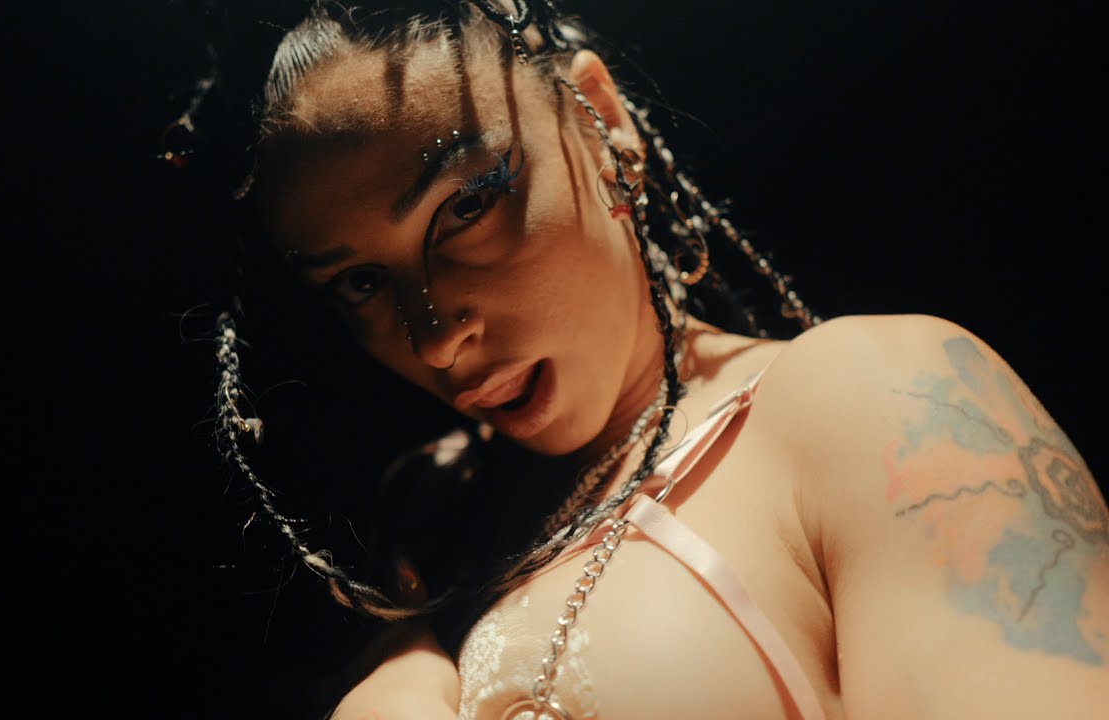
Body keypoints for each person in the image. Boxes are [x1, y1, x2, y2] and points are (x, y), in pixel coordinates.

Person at [171, 1, 1109, 717]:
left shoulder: (877, 395)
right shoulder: (426, 515)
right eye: (360, 282)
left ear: (604, 124)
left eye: (465, 208)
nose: (434, 338)